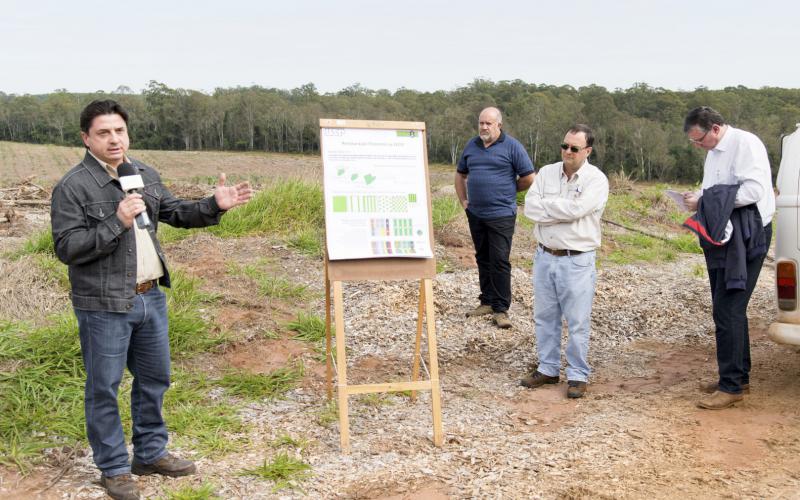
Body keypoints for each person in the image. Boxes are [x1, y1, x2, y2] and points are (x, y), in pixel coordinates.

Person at [51, 99, 252, 500]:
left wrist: (215, 205)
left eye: (119, 131)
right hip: (104, 303)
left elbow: (176, 212)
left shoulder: (141, 173)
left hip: (150, 296)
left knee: (155, 379)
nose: (114, 139)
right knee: (104, 388)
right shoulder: (73, 186)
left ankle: (149, 453)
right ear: (86, 138)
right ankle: (113, 468)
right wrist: (117, 221)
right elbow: (68, 247)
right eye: (104, 132)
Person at [682, 106, 775, 410]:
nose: (698, 147)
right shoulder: (713, 152)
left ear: (716, 128)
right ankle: (738, 376)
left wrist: (706, 200)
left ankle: (731, 385)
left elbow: (753, 191)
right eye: (694, 143)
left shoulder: (746, 144)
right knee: (726, 306)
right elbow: (714, 187)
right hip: (723, 234)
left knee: (729, 307)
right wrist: (697, 196)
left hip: (748, 235)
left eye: (700, 140)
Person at [520, 124, 608, 399]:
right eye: (564, 146)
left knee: (577, 320)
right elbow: (530, 207)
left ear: (587, 151)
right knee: (545, 317)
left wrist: (549, 206)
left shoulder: (596, 180)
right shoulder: (546, 173)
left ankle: (577, 375)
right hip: (545, 255)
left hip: (577, 259)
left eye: (574, 148)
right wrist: (561, 209)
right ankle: (548, 368)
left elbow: (578, 210)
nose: (567, 152)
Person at [455, 106, 535, 329]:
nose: (484, 127)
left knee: (499, 261)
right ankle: (487, 301)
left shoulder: (512, 147)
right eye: (481, 122)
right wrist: (464, 201)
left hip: (501, 214)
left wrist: (509, 190)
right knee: (483, 257)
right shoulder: (472, 145)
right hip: (476, 213)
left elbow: (529, 177)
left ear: (499, 124)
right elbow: (460, 175)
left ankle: (501, 309)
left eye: (488, 123)